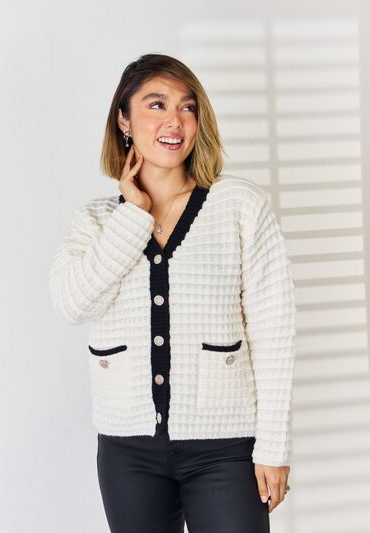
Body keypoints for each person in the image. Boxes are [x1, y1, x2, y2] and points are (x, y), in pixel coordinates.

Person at [49, 53, 296, 533]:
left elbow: (274, 330)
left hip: (226, 448)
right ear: (124, 120)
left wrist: (273, 445)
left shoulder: (240, 206)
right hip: (127, 450)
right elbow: (72, 304)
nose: (175, 121)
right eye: (156, 105)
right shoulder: (97, 220)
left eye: (187, 107)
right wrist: (133, 215)